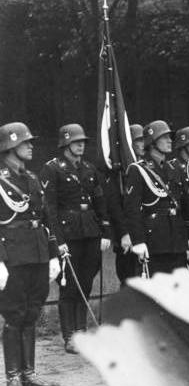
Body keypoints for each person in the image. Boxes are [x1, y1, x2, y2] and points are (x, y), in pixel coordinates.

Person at [0, 122, 61, 386]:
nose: (31, 145)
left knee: (32, 312)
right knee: (15, 315)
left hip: (36, 253)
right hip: (12, 255)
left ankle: (29, 373)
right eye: (25, 142)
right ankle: (13, 376)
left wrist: (53, 254)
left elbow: (45, 220)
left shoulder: (33, 179)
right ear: (10, 147)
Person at [40, 124, 111, 354]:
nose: (81, 145)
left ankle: (82, 331)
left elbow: (100, 202)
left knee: (86, 283)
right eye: (76, 142)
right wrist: (57, 241)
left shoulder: (90, 169)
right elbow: (48, 209)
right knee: (70, 286)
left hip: (90, 232)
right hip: (67, 235)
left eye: (83, 142)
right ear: (65, 144)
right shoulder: (52, 169)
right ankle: (70, 335)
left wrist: (106, 232)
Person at [124, 120, 189, 276]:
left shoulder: (174, 168)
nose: (170, 140)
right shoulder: (138, 169)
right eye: (164, 137)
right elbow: (132, 210)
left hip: (177, 239)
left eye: (170, 136)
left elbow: (185, 205)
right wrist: (139, 241)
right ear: (152, 142)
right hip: (154, 240)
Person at [102, 124, 145, 285]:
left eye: (143, 140)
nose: (143, 144)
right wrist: (124, 233)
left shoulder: (145, 166)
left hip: (144, 233)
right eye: (138, 141)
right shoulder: (119, 172)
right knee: (129, 282)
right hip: (126, 237)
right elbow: (115, 206)